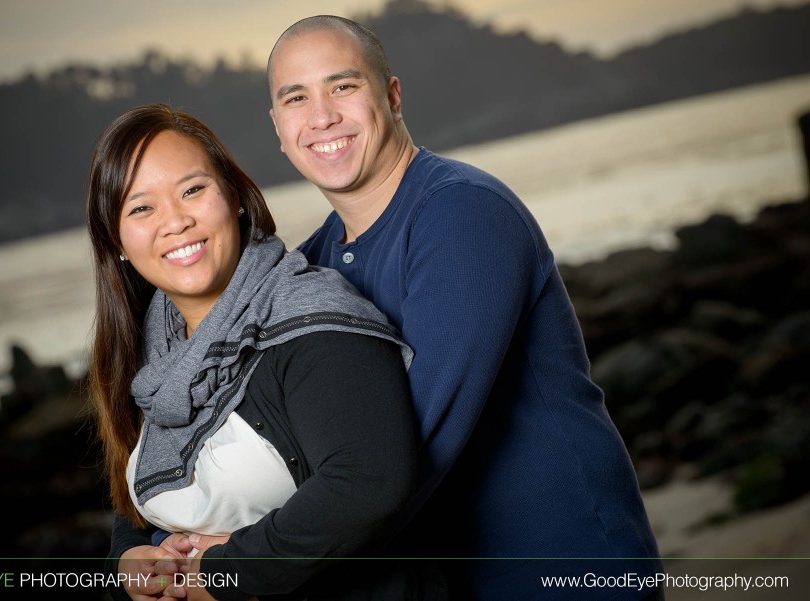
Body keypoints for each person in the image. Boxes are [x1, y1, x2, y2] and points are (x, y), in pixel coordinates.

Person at [117, 15, 665, 601]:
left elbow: (397, 457)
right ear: (279, 128)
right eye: (296, 97)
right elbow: (239, 437)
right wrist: (152, 545)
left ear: (392, 96)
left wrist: (245, 563)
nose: (322, 115)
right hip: (445, 581)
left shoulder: (462, 214)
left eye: (343, 86)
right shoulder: (312, 268)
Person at [87, 103, 434, 601]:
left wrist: (222, 574)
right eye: (141, 208)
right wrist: (128, 561)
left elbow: (368, 483)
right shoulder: (152, 350)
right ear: (117, 240)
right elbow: (139, 499)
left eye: (193, 190)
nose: (176, 221)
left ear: (235, 197)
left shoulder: (312, 320)